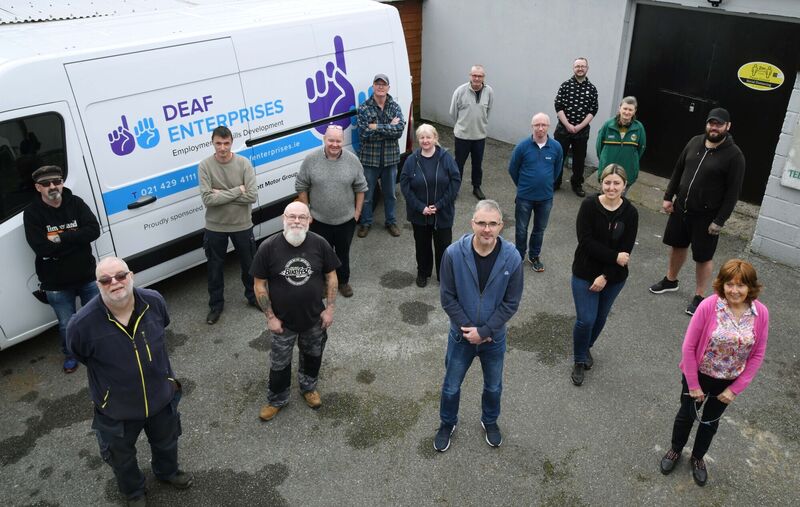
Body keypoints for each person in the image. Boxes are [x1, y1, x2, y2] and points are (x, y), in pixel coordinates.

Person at [67, 257, 192, 506]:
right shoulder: (81, 324)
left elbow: (163, 326)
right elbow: (79, 353)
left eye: (120, 276)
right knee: (121, 458)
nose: (115, 283)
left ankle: (167, 472)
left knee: (167, 442)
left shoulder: (154, 301)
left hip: (161, 397)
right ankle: (134, 491)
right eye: (105, 279)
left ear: (131, 275)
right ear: (98, 284)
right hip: (116, 410)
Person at [659, 259, 769, 487]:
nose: (734, 290)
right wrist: (693, 385)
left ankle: (698, 458)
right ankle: (675, 450)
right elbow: (689, 347)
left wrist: (735, 389)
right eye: (730, 284)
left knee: (710, 422)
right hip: (698, 375)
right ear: (722, 284)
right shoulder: (709, 306)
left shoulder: (761, 314)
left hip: (728, 382)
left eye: (741, 285)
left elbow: (757, 355)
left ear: (750, 287)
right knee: (686, 416)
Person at [434, 200, 523, 452]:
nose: (487, 229)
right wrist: (469, 330)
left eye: (492, 224)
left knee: (494, 386)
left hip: (493, 340)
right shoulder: (453, 254)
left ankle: (490, 421)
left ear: (501, 226)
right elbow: (447, 298)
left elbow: (511, 302)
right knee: (451, 386)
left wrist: (484, 332)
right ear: (472, 223)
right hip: (461, 338)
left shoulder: (512, 258)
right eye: (482, 223)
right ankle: (447, 423)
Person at [648, 107, 745, 316]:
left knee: (703, 257)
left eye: (719, 124)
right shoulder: (694, 142)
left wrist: (720, 220)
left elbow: (732, 193)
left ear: (728, 127)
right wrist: (668, 196)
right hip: (681, 208)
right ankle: (670, 280)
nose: (714, 127)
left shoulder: (734, 156)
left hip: (707, 217)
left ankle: (700, 296)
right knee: (677, 245)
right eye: (711, 123)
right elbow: (678, 170)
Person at [252, 201, 340, 421]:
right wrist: (270, 317)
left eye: (302, 217)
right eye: (292, 216)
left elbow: (331, 277)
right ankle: (277, 399)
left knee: (313, 355)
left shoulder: (320, 244)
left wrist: (329, 309)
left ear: (309, 220)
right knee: (279, 363)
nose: (297, 221)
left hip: (314, 318)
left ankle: (308, 388)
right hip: (282, 321)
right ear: (284, 218)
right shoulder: (268, 247)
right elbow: (259, 284)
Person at [23, 165, 100, 373]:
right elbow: (40, 247)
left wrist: (61, 239)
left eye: (56, 181)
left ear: (62, 182)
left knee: (97, 315)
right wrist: (76, 240)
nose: (53, 186)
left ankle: (101, 348)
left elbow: (94, 230)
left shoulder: (76, 203)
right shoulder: (32, 213)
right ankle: (71, 355)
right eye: (46, 184)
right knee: (67, 324)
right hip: (55, 283)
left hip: (87, 275)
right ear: (38, 187)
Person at [570, 164, 638, 386]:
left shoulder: (630, 213)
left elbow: (626, 251)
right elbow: (586, 241)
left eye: (616, 183)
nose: (611, 187)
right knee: (585, 319)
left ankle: (586, 347)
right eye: (607, 182)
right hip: (584, 271)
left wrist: (606, 276)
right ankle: (579, 360)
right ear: (601, 183)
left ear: (624, 185)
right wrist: (614, 257)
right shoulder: (589, 205)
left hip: (614, 278)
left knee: (600, 318)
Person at [296, 125, 367, 298]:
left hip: (345, 220)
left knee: (343, 253)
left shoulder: (352, 160)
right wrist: (307, 211)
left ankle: (343, 282)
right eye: (331, 140)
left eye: (338, 140)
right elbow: (301, 186)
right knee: (319, 255)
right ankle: (321, 283)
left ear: (343, 141)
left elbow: (361, 188)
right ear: (324, 139)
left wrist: (357, 213)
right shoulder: (311, 160)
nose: (335, 144)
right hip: (319, 221)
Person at [198, 125, 258, 325]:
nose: (222, 148)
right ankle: (216, 306)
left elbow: (252, 196)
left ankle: (253, 297)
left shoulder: (243, 163)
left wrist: (221, 194)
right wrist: (237, 190)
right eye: (218, 143)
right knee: (214, 269)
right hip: (215, 227)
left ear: (232, 142)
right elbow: (208, 200)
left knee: (249, 265)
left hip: (242, 224)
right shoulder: (205, 166)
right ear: (212, 143)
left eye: (226, 143)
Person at [400, 124, 461, 288]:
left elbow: (455, 182)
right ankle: (423, 272)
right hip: (419, 214)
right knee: (422, 245)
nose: (425, 140)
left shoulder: (446, 158)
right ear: (418, 140)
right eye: (422, 137)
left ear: (435, 138)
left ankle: (444, 275)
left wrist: (439, 205)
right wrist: (421, 207)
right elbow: (405, 186)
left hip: (443, 212)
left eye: (429, 137)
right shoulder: (412, 160)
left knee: (444, 245)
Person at [508, 112, 563, 273]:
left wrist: (546, 184)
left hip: (545, 198)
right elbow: (513, 169)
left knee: (539, 229)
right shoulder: (522, 146)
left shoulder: (556, 147)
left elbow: (557, 169)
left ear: (548, 126)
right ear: (532, 126)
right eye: (537, 125)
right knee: (521, 228)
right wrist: (524, 185)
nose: (540, 128)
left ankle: (534, 256)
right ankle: (518, 255)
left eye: (543, 125)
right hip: (525, 197)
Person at [356, 73, 406, 238]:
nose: (380, 86)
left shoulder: (394, 106)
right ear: (373, 86)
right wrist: (387, 127)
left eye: (383, 84)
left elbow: (399, 131)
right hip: (370, 159)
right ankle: (365, 223)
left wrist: (376, 126)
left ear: (388, 87)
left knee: (390, 194)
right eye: (377, 84)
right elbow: (363, 133)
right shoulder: (364, 107)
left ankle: (391, 222)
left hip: (390, 159)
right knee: (367, 195)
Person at [554, 57, 599, 197]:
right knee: (558, 157)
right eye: (577, 66)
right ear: (573, 68)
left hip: (582, 131)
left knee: (579, 160)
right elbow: (558, 106)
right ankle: (555, 182)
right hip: (563, 130)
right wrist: (567, 125)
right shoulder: (565, 85)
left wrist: (579, 126)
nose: (580, 68)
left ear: (587, 68)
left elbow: (593, 110)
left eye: (583, 66)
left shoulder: (592, 89)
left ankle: (577, 184)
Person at [450, 64, 494, 200]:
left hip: (479, 136)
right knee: (458, 164)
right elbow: (453, 112)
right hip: (462, 135)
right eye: (474, 75)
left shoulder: (489, 92)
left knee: (477, 164)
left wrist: (480, 125)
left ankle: (476, 187)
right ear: (470, 76)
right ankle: (454, 188)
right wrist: (463, 125)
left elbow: (488, 111)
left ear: (483, 77)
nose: (476, 78)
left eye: (479, 76)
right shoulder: (460, 91)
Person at [595, 96, 646, 190]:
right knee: (605, 199)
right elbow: (599, 147)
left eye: (630, 110)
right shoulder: (608, 125)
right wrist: (604, 160)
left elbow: (640, 150)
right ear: (620, 108)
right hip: (607, 170)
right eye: (625, 108)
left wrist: (632, 161)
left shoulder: (639, 128)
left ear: (635, 111)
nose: (627, 112)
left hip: (627, 172)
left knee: (621, 200)